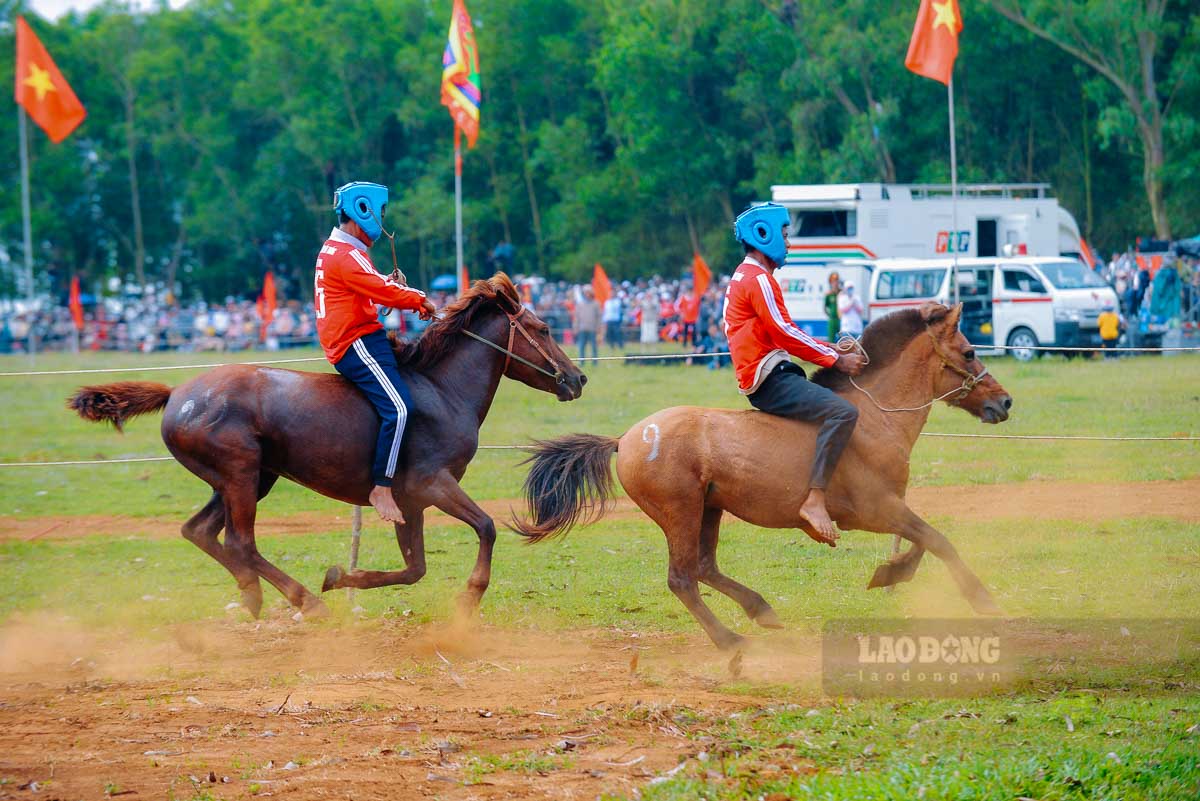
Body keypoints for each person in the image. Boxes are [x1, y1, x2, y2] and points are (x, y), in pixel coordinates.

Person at [723, 203, 865, 543]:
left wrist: (830, 347)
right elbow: (784, 334)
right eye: (785, 235)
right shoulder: (759, 280)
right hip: (768, 377)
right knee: (844, 412)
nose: (789, 244)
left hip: (766, 371)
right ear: (764, 234)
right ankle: (815, 499)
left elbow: (783, 330)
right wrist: (835, 360)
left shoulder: (748, 276)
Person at [315, 181, 437, 524]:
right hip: (355, 342)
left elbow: (368, 285)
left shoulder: (340, 248)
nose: (382, 222)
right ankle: (381, 486)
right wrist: (416, 298)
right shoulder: (347, 254)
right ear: (363, 210)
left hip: (359, 335)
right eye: (380, 213)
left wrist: (388, 283)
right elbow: (377, 288)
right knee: (399, 409)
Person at [574, 285, 600, 360]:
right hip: (582, 328)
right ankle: (582, 361)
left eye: (588, 292)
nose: (587, 294)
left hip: (592, 328)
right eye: (586, 292)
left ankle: (595, 361)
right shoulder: (580, 304)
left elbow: (599, 317)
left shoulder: (596, 304)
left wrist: (598, 327)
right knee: (581, 346)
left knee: (594, 346)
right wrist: (575, 327)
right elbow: (577, 317)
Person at [824, 271, 841, 340]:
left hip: (840, 320)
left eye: (836, 280)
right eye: (833, 281)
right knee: (831, 340)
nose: (835, 283)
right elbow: (825, 307)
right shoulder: (829, 294)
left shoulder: (841, 293)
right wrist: (830, 314)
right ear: (830, 282)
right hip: (832, 319)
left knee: (842, 340)